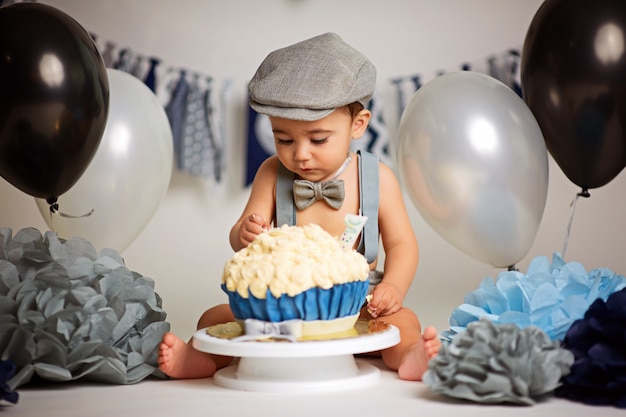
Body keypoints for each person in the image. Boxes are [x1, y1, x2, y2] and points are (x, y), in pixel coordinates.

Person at [158, 32, 440, 381]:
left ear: (358, 124)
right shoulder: (272, 173)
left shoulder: (376, 177)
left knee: (403, 322)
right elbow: (242, 235)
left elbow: (402, 244)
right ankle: (197, 360)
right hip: (281, 310)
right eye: (283, 139)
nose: (300, 154)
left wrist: (393, 288)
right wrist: (244, 232)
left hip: (356, 309)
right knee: (213, 319)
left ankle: (411, 357)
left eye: (318, 139)